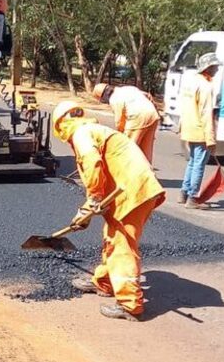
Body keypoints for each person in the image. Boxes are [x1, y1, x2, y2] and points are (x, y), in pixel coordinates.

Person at [53, 100, 165, 321]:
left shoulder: (81, 133)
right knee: (112, 237)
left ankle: (130, 304)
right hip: (132, 189)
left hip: (133, 190)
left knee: (121, 244)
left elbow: (93, 163)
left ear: (61, 124)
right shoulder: (94, 130)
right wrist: (87, 213)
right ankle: (105, 282)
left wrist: (92, 201)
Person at [178, 52, 220, 209]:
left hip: (189, 129)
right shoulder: (206, 87)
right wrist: (211, 139)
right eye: (215, 66)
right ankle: (193, 198)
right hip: (200, 130)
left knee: (192, 163)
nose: (216, 69)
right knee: (199, 165)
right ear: (208, 68)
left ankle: (183, 193)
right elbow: (206, 114)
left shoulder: (191, 82)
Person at [92, 83, 160, 163]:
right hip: (153, 115)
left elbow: (119, 121)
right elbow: (148, 95)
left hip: (138, 117)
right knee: (146, 150)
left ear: (103, 97)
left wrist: (120, 135)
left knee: (127, 148)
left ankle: (125, 172)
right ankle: (148, 172)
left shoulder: (114, 99)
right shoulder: (128, 88)